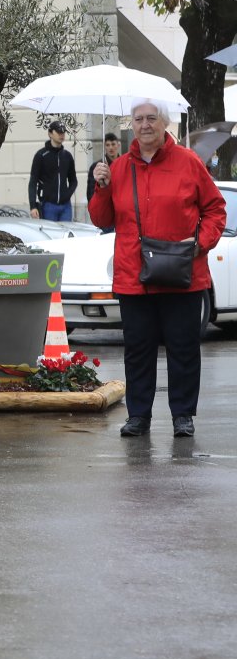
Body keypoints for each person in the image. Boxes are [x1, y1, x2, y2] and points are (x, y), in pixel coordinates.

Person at [89, 97, 227, 438]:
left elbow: (215, 210)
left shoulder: (188, 162)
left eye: (152, 118)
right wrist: (101, 188)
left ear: (165, 123)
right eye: (139, 119)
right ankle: (139, 416)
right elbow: (102, 219)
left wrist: (200, 244)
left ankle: (183, 415)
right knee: (138, 351)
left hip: (183, 275)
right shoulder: (118, 168)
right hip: (134, 278)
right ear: (132, 125)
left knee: (183, 349)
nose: (145, 124)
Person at [29, 121, 77, 221]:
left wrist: (67, 195)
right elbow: (33, 181)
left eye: (63, 132)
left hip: (65, 206)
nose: (61, 135)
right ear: (50, 133)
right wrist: (33, 206)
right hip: (48, 205)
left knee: (67, 230)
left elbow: (73, 181)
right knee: (50, 231)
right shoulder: (41, 155)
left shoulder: (67, 156)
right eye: (58, 132)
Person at [86, 132, 121, 232]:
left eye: (113, 144)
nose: (111, 148)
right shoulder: (98, 167)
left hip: (121, 212)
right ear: (104, 147)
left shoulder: (124, 164)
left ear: (118, 145)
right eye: (108, 145)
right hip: (105, 212)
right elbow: (90, 192)